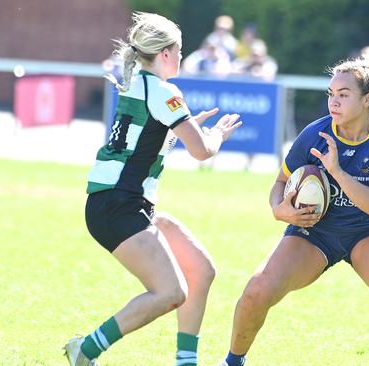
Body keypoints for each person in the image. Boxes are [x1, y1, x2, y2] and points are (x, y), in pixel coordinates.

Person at [219, 51, 369, 366]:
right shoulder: (315, 132)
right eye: (331, 94)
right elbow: (279, 184)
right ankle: (232, 362)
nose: (334, 102)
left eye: (343, 95)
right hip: (314, 231)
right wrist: (280, 211)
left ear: (368, 99)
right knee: (256, 291)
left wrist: (338, 173)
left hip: (367, 231)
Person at [63, 12, 242, 366]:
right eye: (178, 50)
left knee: (201, 270)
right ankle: (85, 350)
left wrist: (177, 131)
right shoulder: (163, 91)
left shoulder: (139, 84)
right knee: (170, 292)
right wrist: (217, 135)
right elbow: (203, 151)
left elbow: (141, 144)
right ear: (164, 53)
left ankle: (185, 362)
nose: (181, 57)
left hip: (119, 202)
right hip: (119, 206)